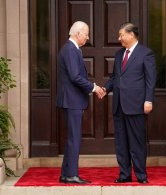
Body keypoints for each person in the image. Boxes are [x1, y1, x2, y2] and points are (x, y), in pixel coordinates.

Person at [103, 22, 156, 183]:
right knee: (121, 144)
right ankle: (124, 175)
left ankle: (141, 175)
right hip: (119, 105)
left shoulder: (146, 53)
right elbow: (115, 77)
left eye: (121, 35)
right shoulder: (119, 54)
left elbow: (150, 79)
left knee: (137, 143)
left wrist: (148, 100)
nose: (119, 38)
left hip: (136, 105)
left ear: (131, 34)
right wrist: (105, 89)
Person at [56, 21, 104, 184]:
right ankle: (71, 175)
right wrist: (94, 88)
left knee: (73, 137)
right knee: (74, 138)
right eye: (86, 34)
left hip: (72, 100)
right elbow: (75, 76)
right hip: (72, 100)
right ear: (78, 34)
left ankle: (66, 173)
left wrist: (94, 86)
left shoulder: (72, 49)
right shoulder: (70, 49)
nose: (88, 37)